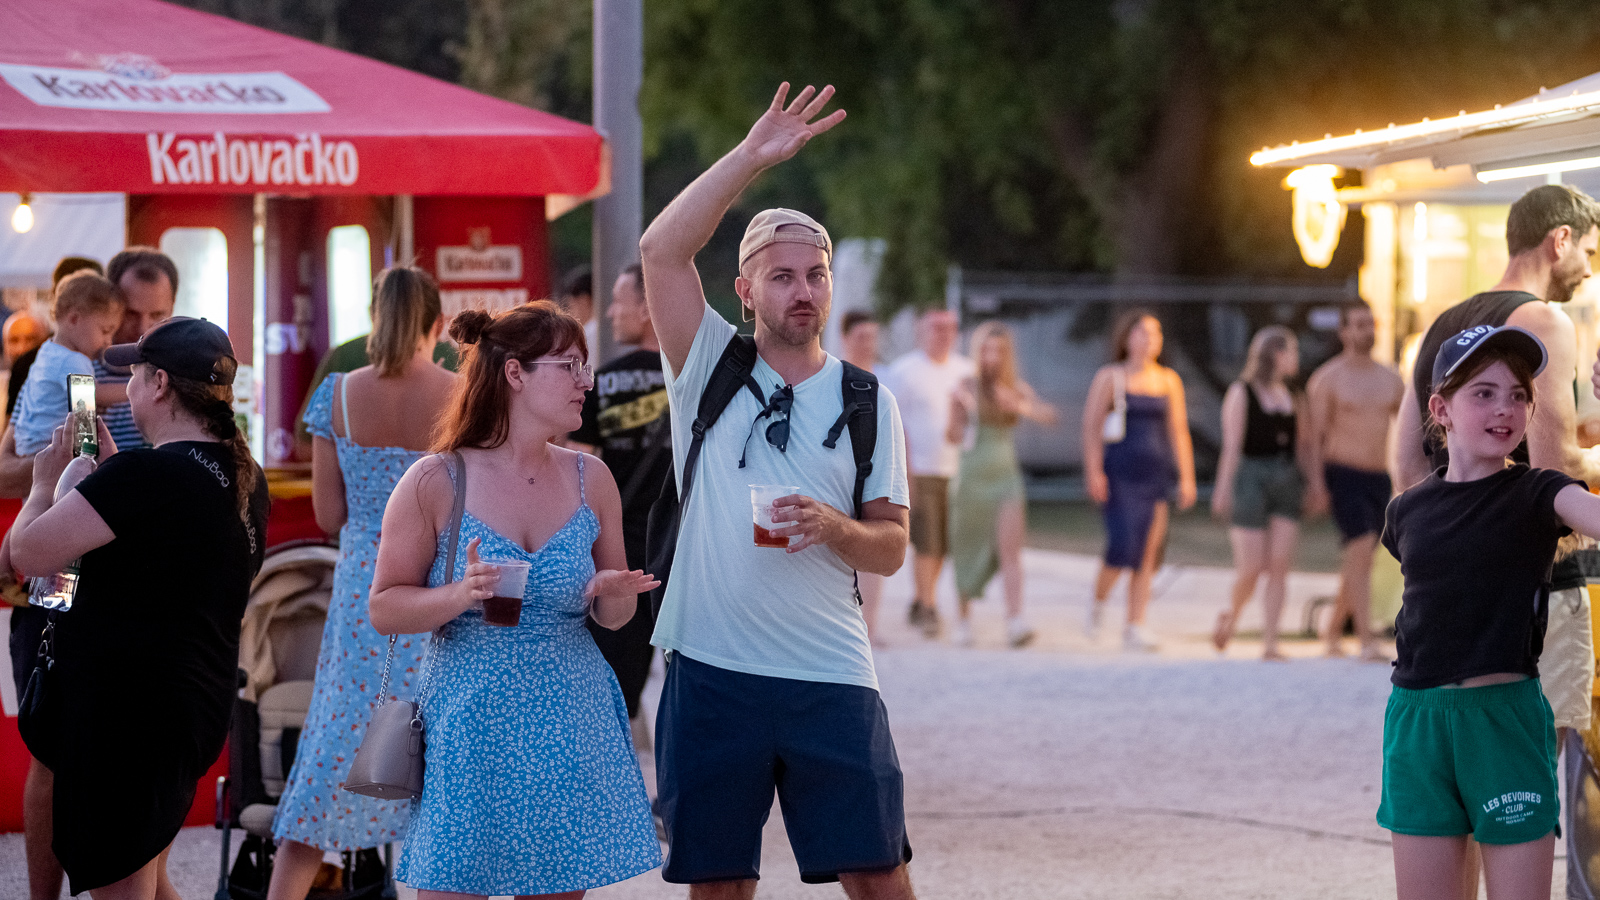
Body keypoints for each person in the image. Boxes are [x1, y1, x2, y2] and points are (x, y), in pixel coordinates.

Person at [639, 83, 916, 898]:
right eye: (783, 276)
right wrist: (751, 159)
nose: (804, 291)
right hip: (712, 671)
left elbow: (891, 549)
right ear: (745, 290)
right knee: (720, 885)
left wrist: (835, 527)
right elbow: (661, 251)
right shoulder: (706, 366)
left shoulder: (867, 399)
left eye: (816, 275)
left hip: (831, 670)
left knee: (879, 875)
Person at [368, 301, 660, 898]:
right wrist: (460, 593)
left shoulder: (592, 478)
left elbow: (615, 618)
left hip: (572, 717)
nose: (587, 381)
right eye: (570, 365)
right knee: (450, 887)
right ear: (514, 373)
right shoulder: (436, 479)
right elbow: (384, 607)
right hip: (470, 720)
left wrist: (610, 594)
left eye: (585, 366)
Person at [10, 317, 269, 899]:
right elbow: (161, 565)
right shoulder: (245, 478)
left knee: (127, 886)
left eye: (133, 375)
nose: (125, 388)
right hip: (191, 710)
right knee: (147, 881)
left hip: (126, 722)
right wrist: (105, 483)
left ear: (159, 384)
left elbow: (26, 554)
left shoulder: (146, 474)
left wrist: (45, 486)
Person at [1380, 324, 1600, 900]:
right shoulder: (1406, 511)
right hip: (1418, 724)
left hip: (1504, 722)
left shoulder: (1539, 492)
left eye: (1519, 395)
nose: (1505, 407)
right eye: (1484, 392)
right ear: (1441, 409)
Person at [266, 268, 458, 899]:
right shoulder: (458, 395)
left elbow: (329, 515)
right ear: (436, 324)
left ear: (377, 316)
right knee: (441, 756)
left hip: (362, 595)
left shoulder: (339, 394)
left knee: (335, 747)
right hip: (435, 588)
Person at [1397, 185, 1600, 746]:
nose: (1589, 270)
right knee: (1530, 765)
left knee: (1458, 762)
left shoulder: (1443, 325)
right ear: (1560, 240)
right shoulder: (1546, 321)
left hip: (1446, 581)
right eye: (1589, 251)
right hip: (1534, 580)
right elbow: (1558, 466)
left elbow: (1406, 459)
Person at [2, 255, 99, 900]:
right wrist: (62, 468)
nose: (128, 330)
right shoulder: (75, 371)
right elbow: (8, 468)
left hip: (96, 576)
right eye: (119, 320)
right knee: (49, 744)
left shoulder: (54, 363)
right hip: (61, 577)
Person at [567, 262, 671, 729]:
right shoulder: (697, 382)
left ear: (647, 308)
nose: (609, 313)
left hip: (622, 554)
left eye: (617, 301)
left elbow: (577, 474)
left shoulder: (602, 383)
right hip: (684, 548)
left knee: (614, 693)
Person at [1080, 310, 1196, 651]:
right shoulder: (1110, 377)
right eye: (1142, 332)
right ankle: (1098, 601)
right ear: (1127, 337)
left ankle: (1135, 623)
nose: (1149, 339)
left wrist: (1187, 477)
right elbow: (1091, 427)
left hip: (1154, 474)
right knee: (1121, 545)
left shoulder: (1169, 380)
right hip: (1120, 473)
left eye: (1155, 333)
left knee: (1147, 551)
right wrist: (1093, 470)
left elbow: (1179, 431)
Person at [946, 321, 1058, 648]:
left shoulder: (1015, 388)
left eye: (999, 350)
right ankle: (963, 621)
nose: (992, 356)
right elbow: (951, 436)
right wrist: (957, 409)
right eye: (986, 349)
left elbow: (1050, 417)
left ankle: (1015, 620)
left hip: (1006, 476)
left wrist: (1019, 406)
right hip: (971, 476)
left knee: (1011, 550)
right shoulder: (966, 386)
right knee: (966, 547)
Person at [1211, 325, 1318, 660]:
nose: (1296, 359)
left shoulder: (1294, 397)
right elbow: (1232, 446)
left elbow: (1304, 445)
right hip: (1251, 478)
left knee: (1279, 564)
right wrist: (1223, 489)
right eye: (1292, 351)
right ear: (1276, 354)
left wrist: (1314, 483)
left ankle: (1270, 640)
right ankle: (1232, 614)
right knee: (1252, 566)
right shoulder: (1241, 392)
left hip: (1286, 478)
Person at [1305, 303, 1402, 660]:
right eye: (1359, 325)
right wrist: (1317, 484)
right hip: (1342, 473)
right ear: (1344, 332)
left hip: (1378, 477)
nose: (1367, 331)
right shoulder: (1328, 379)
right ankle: (1365, 638)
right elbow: (1314, 438)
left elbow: (1410, 427)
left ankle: (1332, 630)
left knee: (1360, 557)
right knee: (1360, 549)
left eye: (1370, 324)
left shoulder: (1390, 378)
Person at [880, 308, 972, 639]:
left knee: (945, 543)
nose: (943, 334)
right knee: (927, 541)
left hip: (958, 469)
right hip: (920, 469)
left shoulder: (966, 371)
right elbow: (891, 419)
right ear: (922, 331)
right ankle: (929, 606)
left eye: (949, 328)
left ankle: (921, 599)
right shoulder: (905, 371)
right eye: (936, 328)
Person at [10, 270, 122, 456]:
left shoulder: (47, 350)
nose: (108, 341)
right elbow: (92, 398)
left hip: (27, 443)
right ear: (74, 319)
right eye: (105, 330)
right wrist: (131, 388)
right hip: (49, 446)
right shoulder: (73, 360)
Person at [838, 309, 889, 644]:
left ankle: (869, 625)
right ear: (845, 338)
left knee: (873, 547)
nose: (868, 343)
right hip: (843, 473)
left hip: (876, 472)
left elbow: (901, 432)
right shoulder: (832, 376)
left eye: (872, 336)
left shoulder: (886, 379)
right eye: (861, 337)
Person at [560, 265, 598, 356]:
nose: (569, 314)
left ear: (584, 301)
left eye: (570, 307)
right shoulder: (603, 330)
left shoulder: (586, 336)